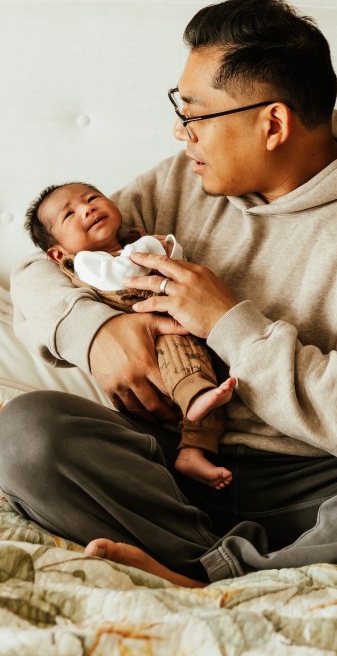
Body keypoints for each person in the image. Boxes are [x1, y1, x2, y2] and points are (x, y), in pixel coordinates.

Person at [0, 0, 337, 588]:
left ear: (272, 123)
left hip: (324, 486)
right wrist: (95, 332)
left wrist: (228, 321)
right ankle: (253, 571)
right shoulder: (180, 182)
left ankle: (210, 571)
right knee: (27, 432)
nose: (179, 131)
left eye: (194, 114)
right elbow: (42, 269)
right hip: (168, 468)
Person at [23, 181, 237, 489]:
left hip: (179, 325)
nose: (87, 208)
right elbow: (121, 275)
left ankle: (193, 451)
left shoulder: (133, 241)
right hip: (149, 338)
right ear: (58, 253)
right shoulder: (86, 263)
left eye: (92, 198)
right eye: (69, 214)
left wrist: (167, 249)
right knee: (185, 369)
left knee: (203, 385)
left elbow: (177, 265)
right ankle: (196, 402)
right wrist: (153, 249)